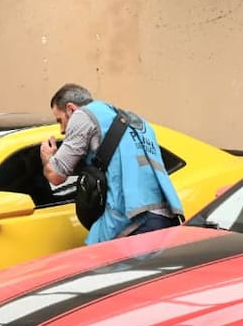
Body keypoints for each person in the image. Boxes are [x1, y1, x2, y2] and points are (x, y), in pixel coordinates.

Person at [39, 83, 183, 244]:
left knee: (94, 262)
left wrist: (48, 157)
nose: (62, 130)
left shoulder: (83, 116)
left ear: (71, 109)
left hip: (134, 218)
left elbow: (56, 176)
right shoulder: (136, 122)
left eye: (60, 120)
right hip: (166, 215)